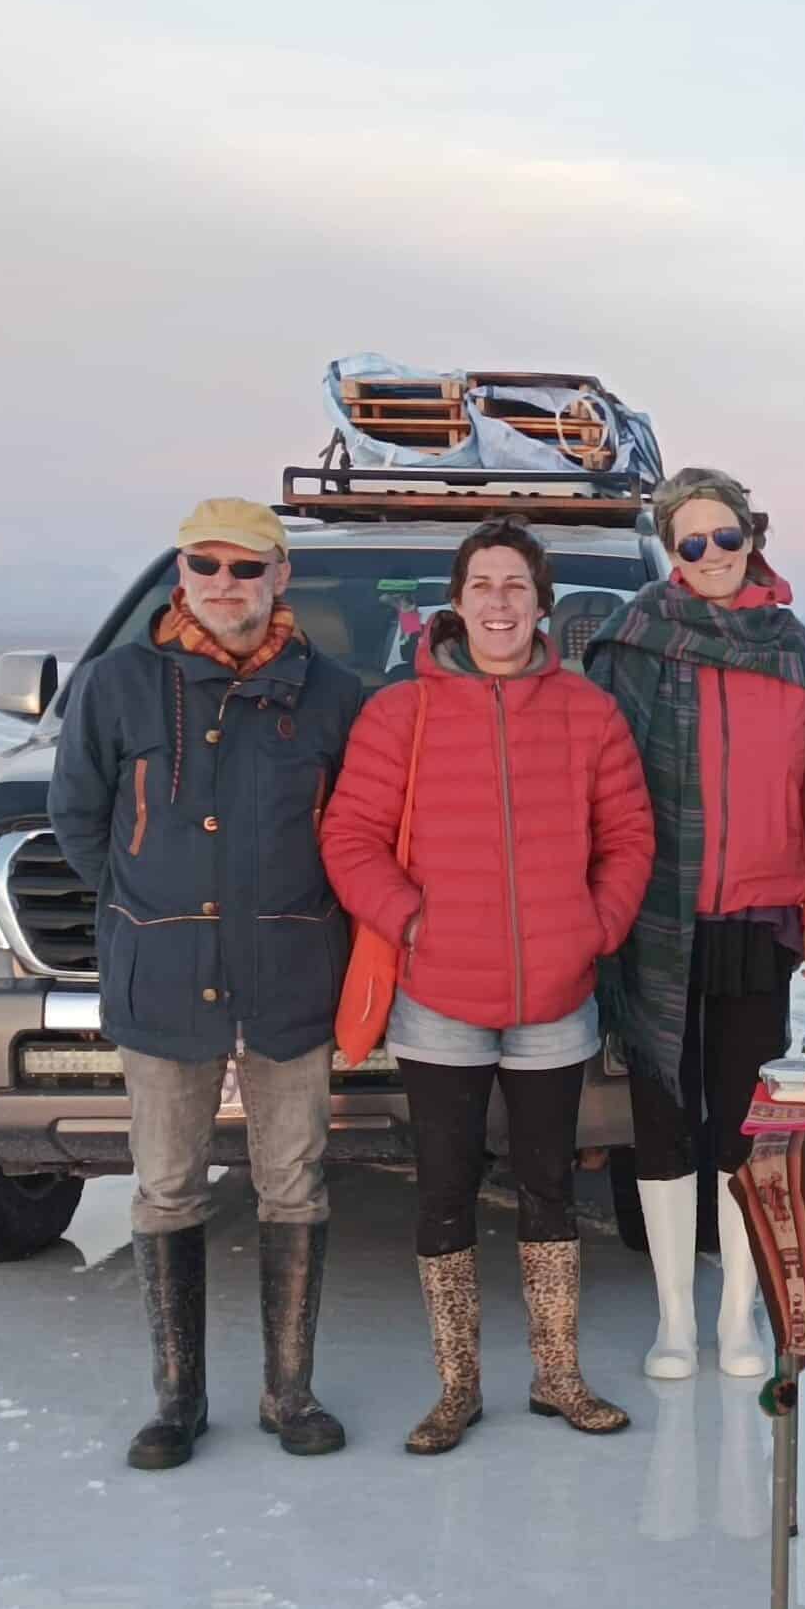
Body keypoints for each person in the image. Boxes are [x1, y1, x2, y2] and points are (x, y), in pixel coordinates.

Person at [321, 518, 653, 1454]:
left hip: (556, 998)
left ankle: (557, 1375)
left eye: (517, 585)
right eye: (483, 585)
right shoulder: (402, 714)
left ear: (540, 603)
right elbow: (350, 838)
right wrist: (415, 920)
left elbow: (628, 837)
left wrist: (593, 928)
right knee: (444, 1190)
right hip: (439, 1002)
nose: (500, 602)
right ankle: (457, 1387)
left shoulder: (587, 713)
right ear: (455, 603)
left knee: (550, 1189)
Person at [49, 498, 364, 1470]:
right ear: (181, 574)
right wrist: (153, 901)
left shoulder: (334, 695)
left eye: (246, 566)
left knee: (292, 1181)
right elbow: (78, 818)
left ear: (280, 578)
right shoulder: (118, 686)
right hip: (165, 974)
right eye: (205, 565)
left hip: (289, 971)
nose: (224, 584)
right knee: (167, 1184)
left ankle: (289, 1392)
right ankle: (176, 1398)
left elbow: (356, 831)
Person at [590, 468, 805, 1382]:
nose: (709, 557)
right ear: (668, 548)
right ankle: (672, 1320)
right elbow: (602, 785)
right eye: (688, 543)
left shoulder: (791, 647)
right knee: (662, 1114)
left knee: (741, 1124)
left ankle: (738, 1313)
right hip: (655, 914)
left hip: (755, 915)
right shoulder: (634, 641)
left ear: (751, 537)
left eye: (723, 539)